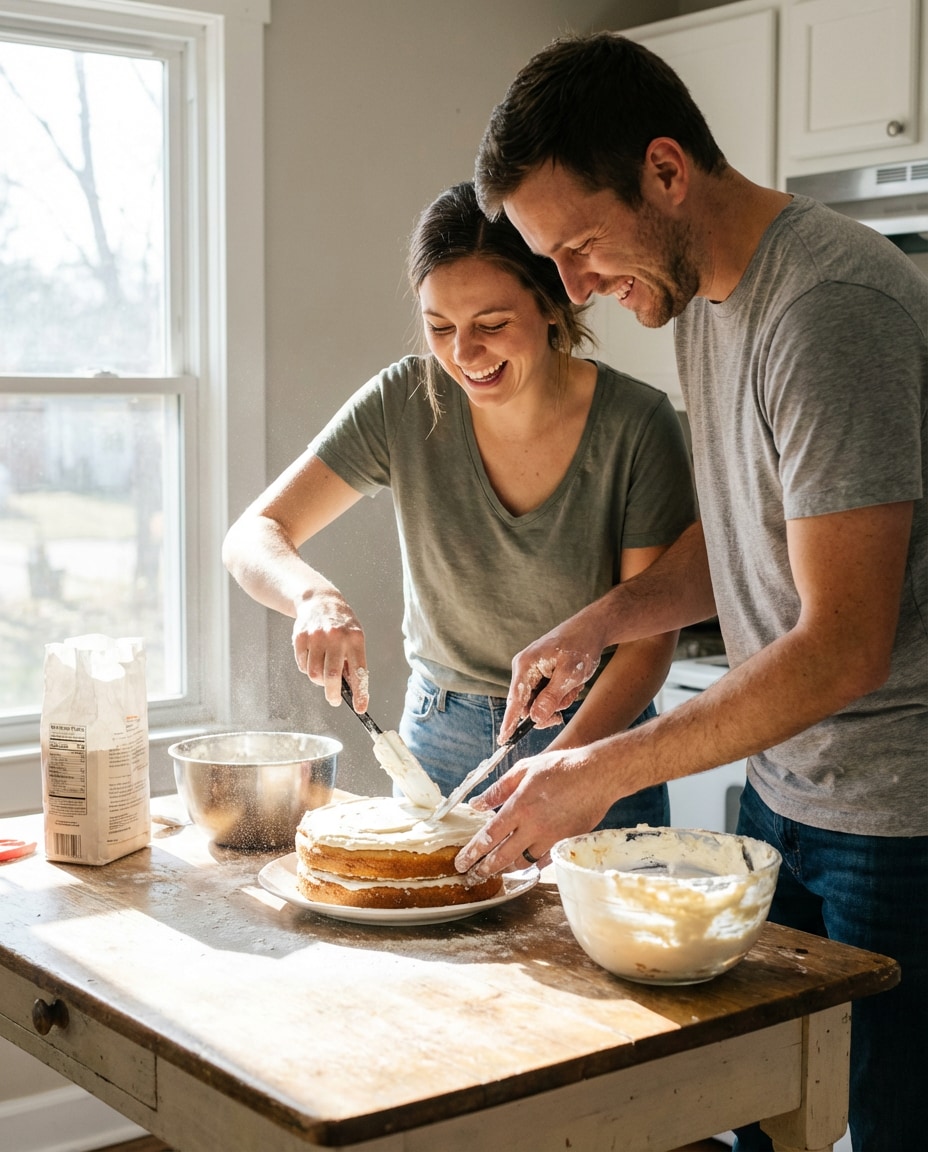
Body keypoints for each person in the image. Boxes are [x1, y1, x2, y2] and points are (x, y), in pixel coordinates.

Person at [455, 32, 927, 1152]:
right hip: (789, 798)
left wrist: (594, 773)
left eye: (577, 247)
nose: (572, 289)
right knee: (763, 1116)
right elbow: (755, 529)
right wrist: (602, 622)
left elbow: (843, 645)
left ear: (666, 171)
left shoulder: (828, 307)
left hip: (898, 826)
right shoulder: (708, 296)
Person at [222, 180, 696, 830]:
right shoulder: (404, 401)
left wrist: (566, 765)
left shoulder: (637, 424)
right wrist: (311, 597)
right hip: (437, 735)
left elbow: (648, 640)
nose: (463, 356)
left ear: (553, 305)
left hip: (599, 735)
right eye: (439, 327)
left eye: (492, 325)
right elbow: (255, 534)